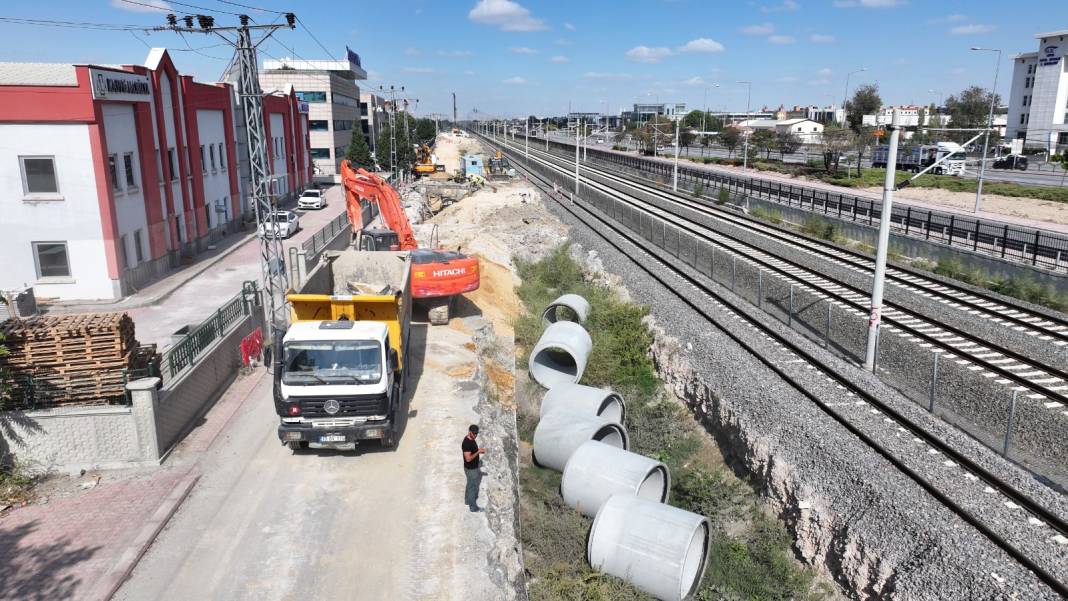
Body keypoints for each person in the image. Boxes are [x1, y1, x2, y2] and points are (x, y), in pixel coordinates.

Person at [462, 424, 486, 512]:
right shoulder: (466, 443)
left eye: (476, 433)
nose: (475, 435)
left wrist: (478, 451)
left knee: (469, 484)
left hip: (471, 468)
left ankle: (467, 501)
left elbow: (473, 451)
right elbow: (468, 459)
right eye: (474, 433)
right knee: (472, 488)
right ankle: (473, 507)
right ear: (469, 432)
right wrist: (478, 452)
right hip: (471, 469)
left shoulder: (471, 439)